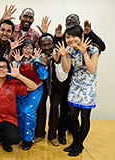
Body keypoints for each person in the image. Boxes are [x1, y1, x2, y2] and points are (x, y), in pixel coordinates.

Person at [54, 13, 105, 144]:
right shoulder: (69, 51)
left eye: (74, 37)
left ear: (82, 35)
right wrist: (64, 56)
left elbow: (92, 69)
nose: (71, 40)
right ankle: (75, 142)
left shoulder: (93, 48)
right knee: (72, 116)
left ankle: (78, 145)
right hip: (75, 85)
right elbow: (66, 69)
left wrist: (84, 53)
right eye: (68, 37)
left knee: (85, 116)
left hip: (88, 86)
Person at [34, 33, 71, 147]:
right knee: (41, 106)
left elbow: (62, 77)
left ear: (54, 44)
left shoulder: (61, 54)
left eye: (49, 44)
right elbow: (40, 75)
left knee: (54, 107)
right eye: (43, 45)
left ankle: (52, 136)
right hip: (43, 85)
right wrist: (43, 65)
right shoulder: (37, 55)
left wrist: (57, 62)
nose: (46, 47)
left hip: (58, 86)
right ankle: (40, 133)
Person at [12, 39, 48, 150]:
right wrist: (17, 62)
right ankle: (20, 137)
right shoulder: (18, 60)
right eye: (25, 47)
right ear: (21, 49)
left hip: (35, 89)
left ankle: (28, 139)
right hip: (21, 89)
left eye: (30, 48)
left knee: (28, 112)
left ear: (33, 50)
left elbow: (44, 76)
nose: (27, 50)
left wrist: (37, 60)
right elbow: (12, 76)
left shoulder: (36, 60)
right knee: (19, 112)